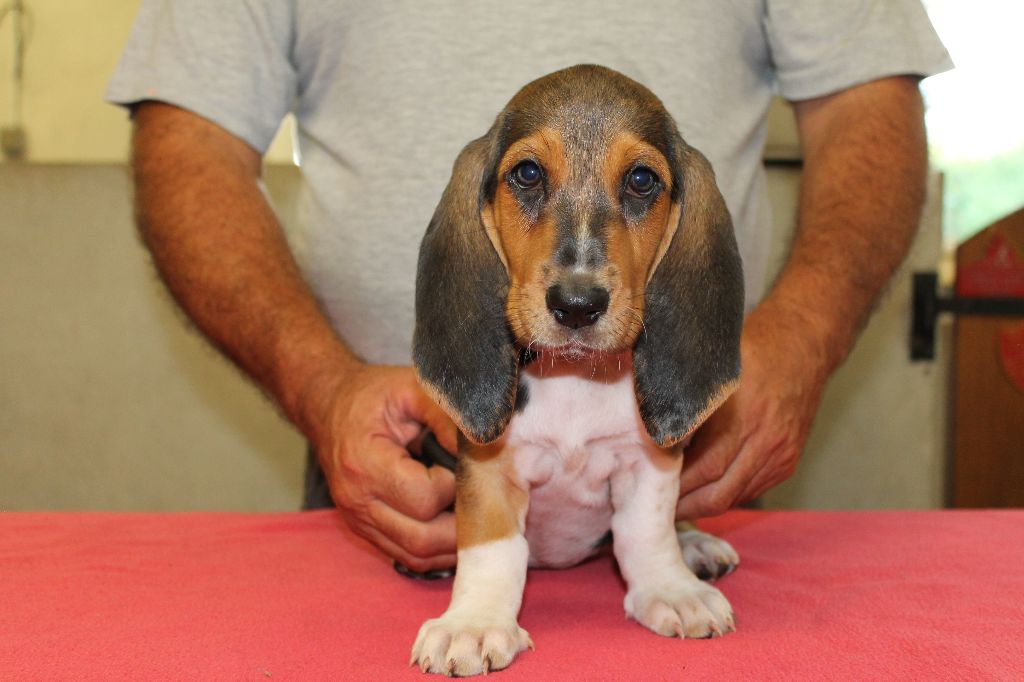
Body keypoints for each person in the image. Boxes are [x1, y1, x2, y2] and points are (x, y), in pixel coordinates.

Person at [107, 1, 951, 574]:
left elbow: (864, 103)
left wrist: (801, 335)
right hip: (398, 476)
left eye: (642, 184)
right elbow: (191, 138)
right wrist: (320, 386)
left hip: (691, 445)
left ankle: (656, 547)